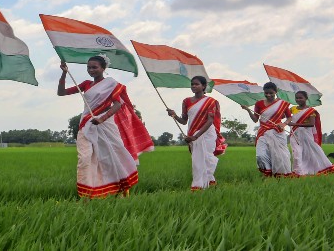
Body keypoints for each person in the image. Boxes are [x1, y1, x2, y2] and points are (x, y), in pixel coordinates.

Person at [58, 55, 153, 198]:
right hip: (86, 125)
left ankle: (122, 188)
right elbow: (61, 92)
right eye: (89, 67)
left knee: (112, 157)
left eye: (94, 67)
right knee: (85, 158)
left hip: (105, 125)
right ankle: (86, 194)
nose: (91, 70)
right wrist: (64, 73)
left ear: (103, 68)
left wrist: (102, 118)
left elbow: (117, 104)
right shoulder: (85, 84)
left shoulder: (112, 84)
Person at [166, 76, 226, 190]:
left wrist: (196, 136)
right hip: (192, 134)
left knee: (207, 158)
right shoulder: (186, 101)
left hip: (207, 134)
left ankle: (201, 185)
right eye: (192, 84)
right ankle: (205, 184)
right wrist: (174, 115)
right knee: (197, 160)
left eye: (196, 84)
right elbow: (184, 121)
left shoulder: (210, 102)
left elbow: (210, 121)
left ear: (203, 86)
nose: (193, 86)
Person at [242, 82, 292, 177]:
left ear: (275, 92)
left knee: (279, 156)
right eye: (266, 93)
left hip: (277, 132)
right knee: (261, 155)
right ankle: (267, 173)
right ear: (264, 92)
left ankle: (280, 175)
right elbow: (255, 120)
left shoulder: (282, 103)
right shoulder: (259, 104)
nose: (268, 95)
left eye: (271, 93)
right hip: (263, 132)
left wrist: (284, 123)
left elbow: (289, 117)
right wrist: (248, 110)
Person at [287, 91, 334, 176]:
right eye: (297, 98)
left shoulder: (310, 111)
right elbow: (285, 115)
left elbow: (311, 124)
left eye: (300, 98)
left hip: (306, 135)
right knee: (296, 154)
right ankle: (298, 173)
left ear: (306, 99)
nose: (298, 99)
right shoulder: (293, 109)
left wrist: (295, 124)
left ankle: (312, 170)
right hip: (295, 135)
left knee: (309, 153)